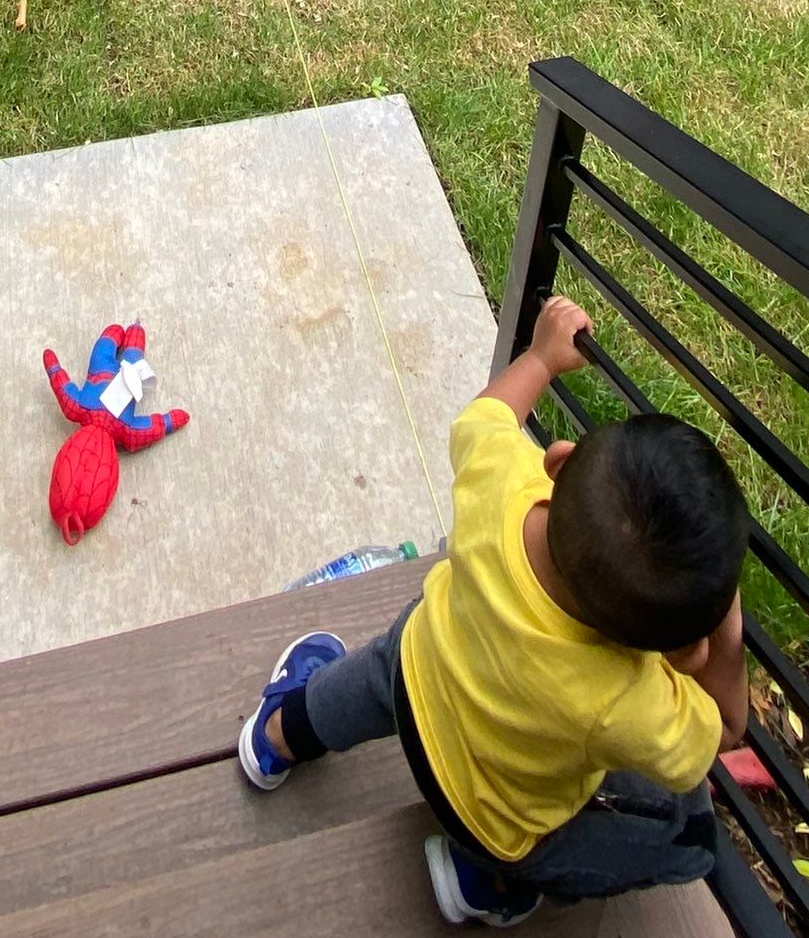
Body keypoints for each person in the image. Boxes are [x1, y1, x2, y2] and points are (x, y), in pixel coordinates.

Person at [237, 294, 749, 929]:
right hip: (488, 819)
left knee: (375, 668)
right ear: (664, 649)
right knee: (688, 842)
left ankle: (276, 739)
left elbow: (486, 415)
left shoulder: (503, 481)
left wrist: (539, 357)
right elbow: (722, 732)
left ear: (557, 463)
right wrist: (725, 630)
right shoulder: (625, 698)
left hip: (417, 672)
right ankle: (483, 882)